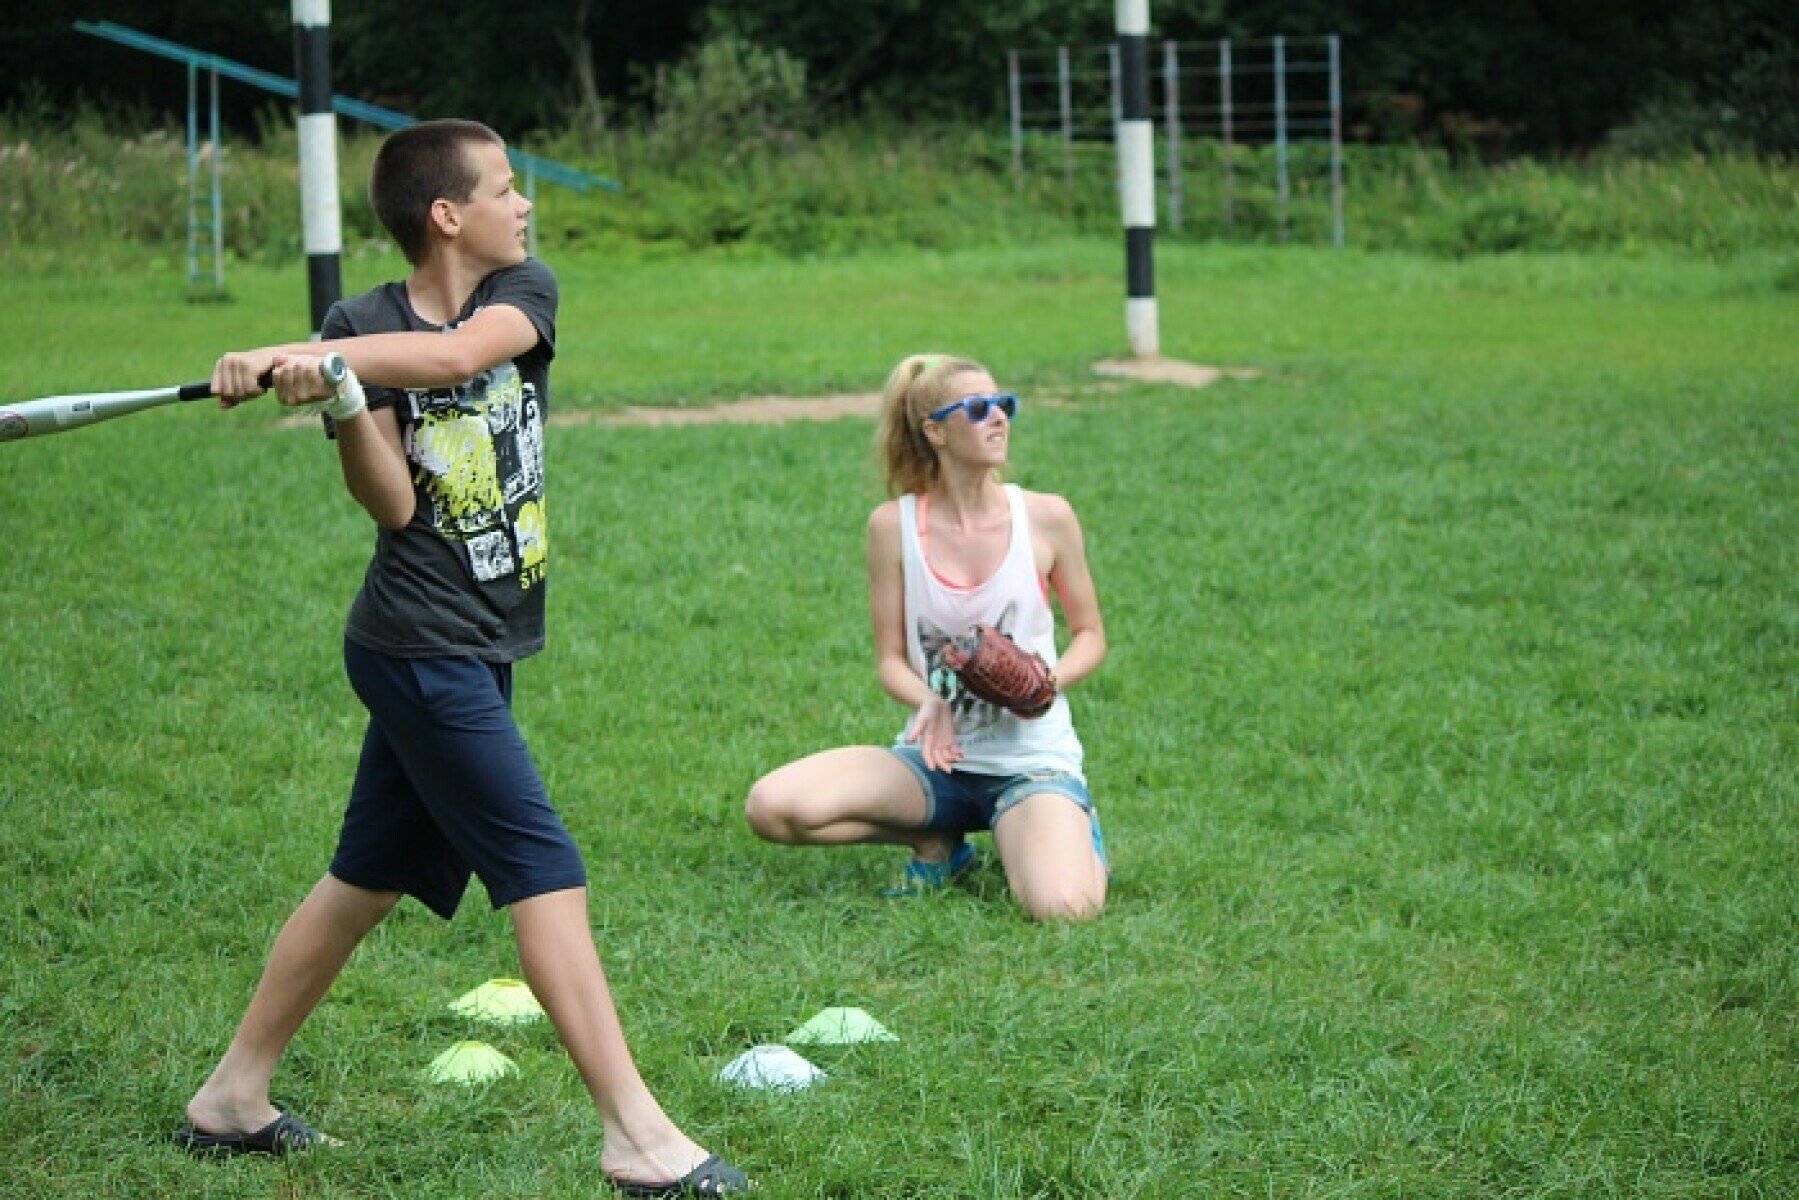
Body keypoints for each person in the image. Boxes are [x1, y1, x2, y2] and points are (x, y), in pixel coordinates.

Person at [174, 119, 749, 1197]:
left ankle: (231, 1097)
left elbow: (453, 359)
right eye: (503, 187)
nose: (523, 204)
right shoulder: (360, 324)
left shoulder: (522, 292)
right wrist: (347, 399)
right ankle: (634, 1135)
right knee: (542, 866)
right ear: (447, 214)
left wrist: (316, 359)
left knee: (366, 878)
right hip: (415, 644)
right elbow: (392, 503)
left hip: (484, 639)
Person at [745, 354, 1109, 921]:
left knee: (1064, 908)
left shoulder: (1046, 517)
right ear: (934, 431)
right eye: (979, 408)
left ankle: (1071, 825)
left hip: (1030, 762)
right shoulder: (892, 528)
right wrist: (928, 701)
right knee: (772, 806)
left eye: (1004, 405)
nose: (999, 418)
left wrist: (1045, 682)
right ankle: (938, 841)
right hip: (934, 765)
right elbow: (891, 660)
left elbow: (1090, 634)